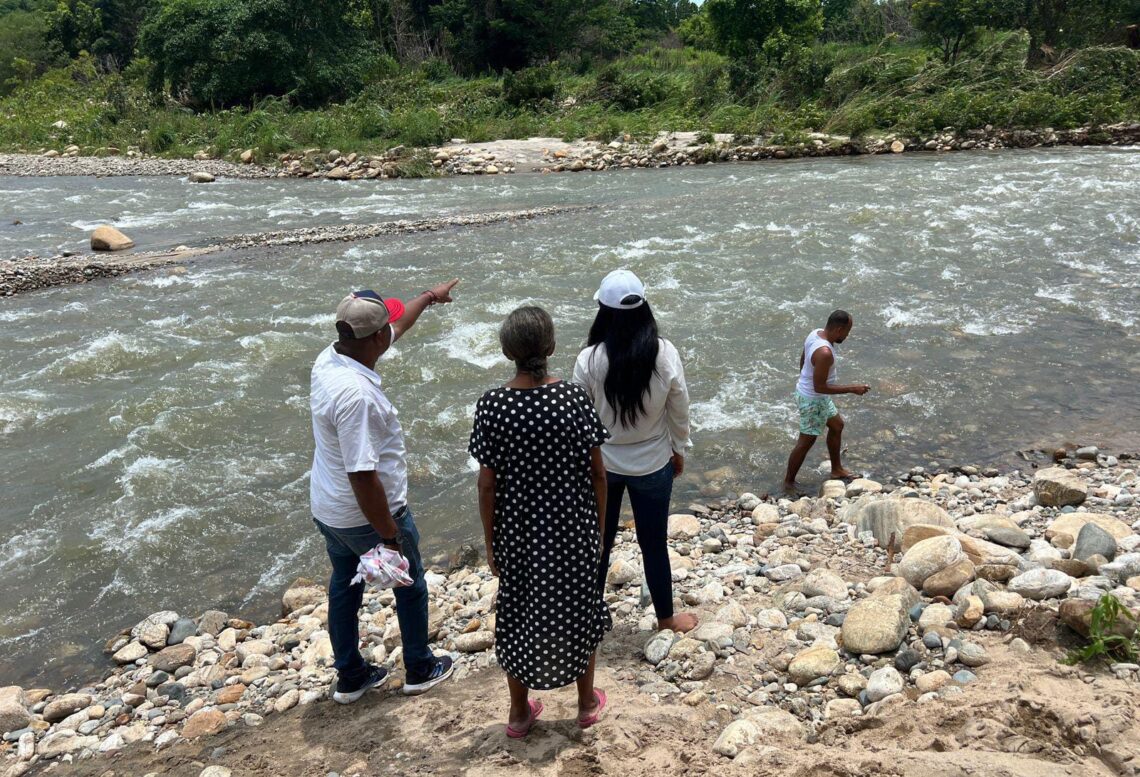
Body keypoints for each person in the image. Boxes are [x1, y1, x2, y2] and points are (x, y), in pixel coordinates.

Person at [309, 280, 459, 704]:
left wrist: (430, 297)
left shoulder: (332, 356)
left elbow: (399, 326)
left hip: (329, 508)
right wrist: (389, 533)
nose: (392, 330)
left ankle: (351, 675)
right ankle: (419, 666)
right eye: (386, 327)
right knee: (409, 584)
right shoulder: (356, 396)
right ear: (374, 337)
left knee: (344, 585)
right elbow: (363, 475)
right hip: (364, 513)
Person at [469, 306, 611, 738]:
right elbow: (598, 474)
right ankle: (585, 703)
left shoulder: (493, 405)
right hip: (572, 529)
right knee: (580, 608)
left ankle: (518, 713)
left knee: (518, 613)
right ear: (551, 348)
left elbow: (487, 486)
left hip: (520, 534)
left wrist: (491, 543)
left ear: (507, 351)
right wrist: (600, 530)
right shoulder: (572, 398)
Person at [573, 269, 698, 634]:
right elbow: (680, 406)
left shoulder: (589, 359)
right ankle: (665, 619)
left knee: (599, 542)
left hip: (603, 466)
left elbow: (581, 420)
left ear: (603, 312)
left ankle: (590, 620)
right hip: (654, 462)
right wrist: (679, 448)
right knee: (653, 544)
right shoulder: (664, 353)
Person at [782, 309, 870, 493]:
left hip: (811, 395)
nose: (847, 335)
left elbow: (803, 357)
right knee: (806, 441)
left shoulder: (814, 333)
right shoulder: (825, 353)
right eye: (847, 331)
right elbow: (819, 387)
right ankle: (788, 483)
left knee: (837, 425)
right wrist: (852, 389)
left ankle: (836, 470)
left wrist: (804, 378)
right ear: (838, 329)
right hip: (813, 400)